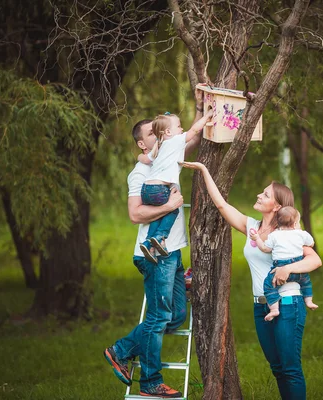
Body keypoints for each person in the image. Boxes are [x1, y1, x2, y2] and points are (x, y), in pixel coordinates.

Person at [180, 161, 322, 400]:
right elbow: (221, 204)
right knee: (277, 368)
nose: (259, 194)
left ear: (277, 206)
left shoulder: (289, 233)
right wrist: (204, 170)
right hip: (261, 306)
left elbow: (314, 260)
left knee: (290, 368)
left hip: (288, 304)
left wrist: (287, 268)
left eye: (265, 194)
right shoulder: (252, 227)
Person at [103, 99, 204, 399]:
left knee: (173, 317)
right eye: (154, 133)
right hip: (153, 255)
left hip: (171, 252)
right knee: (159, 318)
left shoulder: (166, 156)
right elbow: (135, 215)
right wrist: (170, 205)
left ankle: (121, 350)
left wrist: (201, 108)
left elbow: (193, 138)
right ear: (142, 144)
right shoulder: (140, 174)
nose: (162, 135)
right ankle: (150, 382)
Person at [136, 110, 213, 264]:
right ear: (169, 132)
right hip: (159, 189)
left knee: (158, 216)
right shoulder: (175, 141)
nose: (182, 129)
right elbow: (194, 131)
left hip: (146, 190)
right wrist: (206, 117)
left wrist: (138, 156)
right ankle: (160, 237)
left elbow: (145, 158)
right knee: (173, 210)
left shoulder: (160, 145)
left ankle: (147, 243)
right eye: (179, 126)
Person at [251, 206, 319, 322]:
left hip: (280, 269)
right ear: (295, 224)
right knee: (306, 281)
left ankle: (274, 309)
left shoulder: (274, 236)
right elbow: (311, 243)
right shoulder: (301, 234)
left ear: (278, 222)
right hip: (298, 269)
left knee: (268, 285)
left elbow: (265, 248)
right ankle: (309, 301)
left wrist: (257, 238)